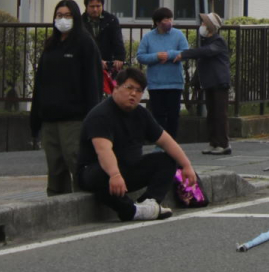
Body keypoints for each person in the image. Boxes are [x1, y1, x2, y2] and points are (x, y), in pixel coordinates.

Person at [78, 66, 198, 222]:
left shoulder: (141, 114)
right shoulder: (101, 115)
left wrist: (187, 165)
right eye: (129, 88)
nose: (133, 94)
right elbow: (103, 150)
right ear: (116, 87)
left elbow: (166, 141)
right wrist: (114, 174)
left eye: (139, 90)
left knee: (167, 160)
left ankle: (148, 203)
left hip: (128, 168)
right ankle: (130, 211)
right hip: (99, 170)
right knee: (103, 175)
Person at [30, 0, 102, 196]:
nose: (62, 19)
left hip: (75, 119)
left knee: (76, 162)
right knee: (55, 168)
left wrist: (92, 119)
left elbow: (93, 84)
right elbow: (40, 84)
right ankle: (56, 205)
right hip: (49, 119)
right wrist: (35, 119)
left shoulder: (85, 44)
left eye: (67, 15)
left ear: (76, 18)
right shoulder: (51, 45)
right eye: (59, 15)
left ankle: (83, 204)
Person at [181, 12, 233, 156]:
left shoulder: (218, 41)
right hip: (210, 82)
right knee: (212, 113)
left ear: (210, 27)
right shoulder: (208, 41)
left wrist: (183, 54)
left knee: (219, 114)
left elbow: (205, 52)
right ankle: (213, 142)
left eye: (204, 23)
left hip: (219, 82)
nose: (201, 26)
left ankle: (223, 144)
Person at [136, 7, 189, 138]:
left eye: (171, 19)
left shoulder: (178, 35)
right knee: (158, 115)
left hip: (174, 83)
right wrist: (156, 57)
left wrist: (170, 55)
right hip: (156, 84)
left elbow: (186, 53)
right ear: (157, 22)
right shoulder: (148, 37)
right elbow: (141, 56)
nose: (169, 22)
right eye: (166, 20)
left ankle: (172, 142)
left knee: (173, 115)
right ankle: (161, 142)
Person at [82, 0, 126, 73]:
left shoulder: (111, 20)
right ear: (86, 6)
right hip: (86, 65)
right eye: (92, 6)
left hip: (108, 65)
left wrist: (119, 58)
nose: (95, 9)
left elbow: (118, 41)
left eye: (98, 6)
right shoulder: (80, 22)